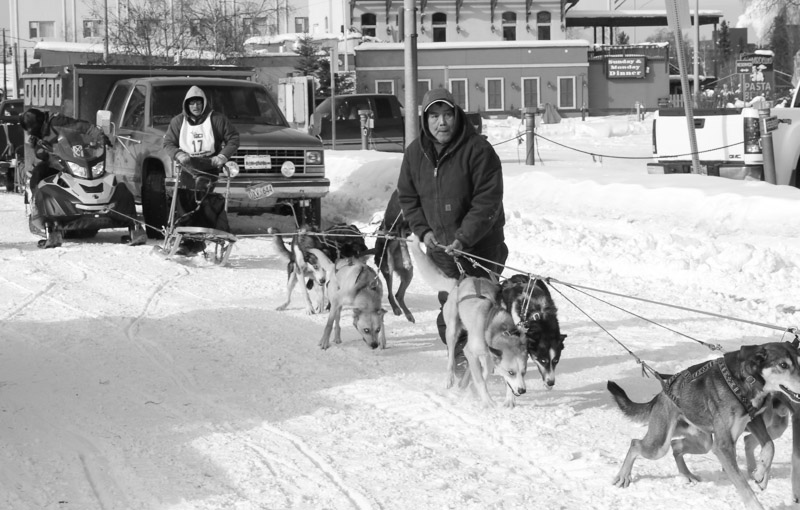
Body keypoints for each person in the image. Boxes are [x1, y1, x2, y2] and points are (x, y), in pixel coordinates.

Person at [397, 88, 508, 345]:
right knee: (451, 305)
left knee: (483, 305)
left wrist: (464, 237)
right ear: (425, 119)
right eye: (434, 116)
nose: (442, 122)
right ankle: (460, 357)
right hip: (441, 248)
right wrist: (424, 231)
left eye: (447, 114)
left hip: (481, 247)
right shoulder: (414, 154)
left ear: (457, 115)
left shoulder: (478, 150)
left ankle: (492, 355)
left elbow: (487, 200)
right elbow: (408, 198)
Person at [20, 108, 119, 248]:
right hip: (55, 162)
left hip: (74, 159)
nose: (30, 132)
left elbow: (83, 126)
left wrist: (100, 136)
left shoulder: (57, 122)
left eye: (31, 128)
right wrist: (37, 147)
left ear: (39, 122)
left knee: (102, 177)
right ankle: (39, 213)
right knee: (38, 175)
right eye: (28, 130)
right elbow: (39, 151)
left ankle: (107, 207)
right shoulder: (38, 132)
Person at [163, 86, 240, 256]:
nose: (196, 107)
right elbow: (168, 143)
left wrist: (222, 156)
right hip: (187, 166)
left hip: (209, 166)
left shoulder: (217, 119)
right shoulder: (178, 122)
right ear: (187, 105)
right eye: (192, 104)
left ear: (204, 103)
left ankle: (196, 241)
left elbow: (233, 138)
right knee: (185, 200)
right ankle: (186, 240)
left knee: (203, 200)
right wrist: (178, 154)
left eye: (199, 103)